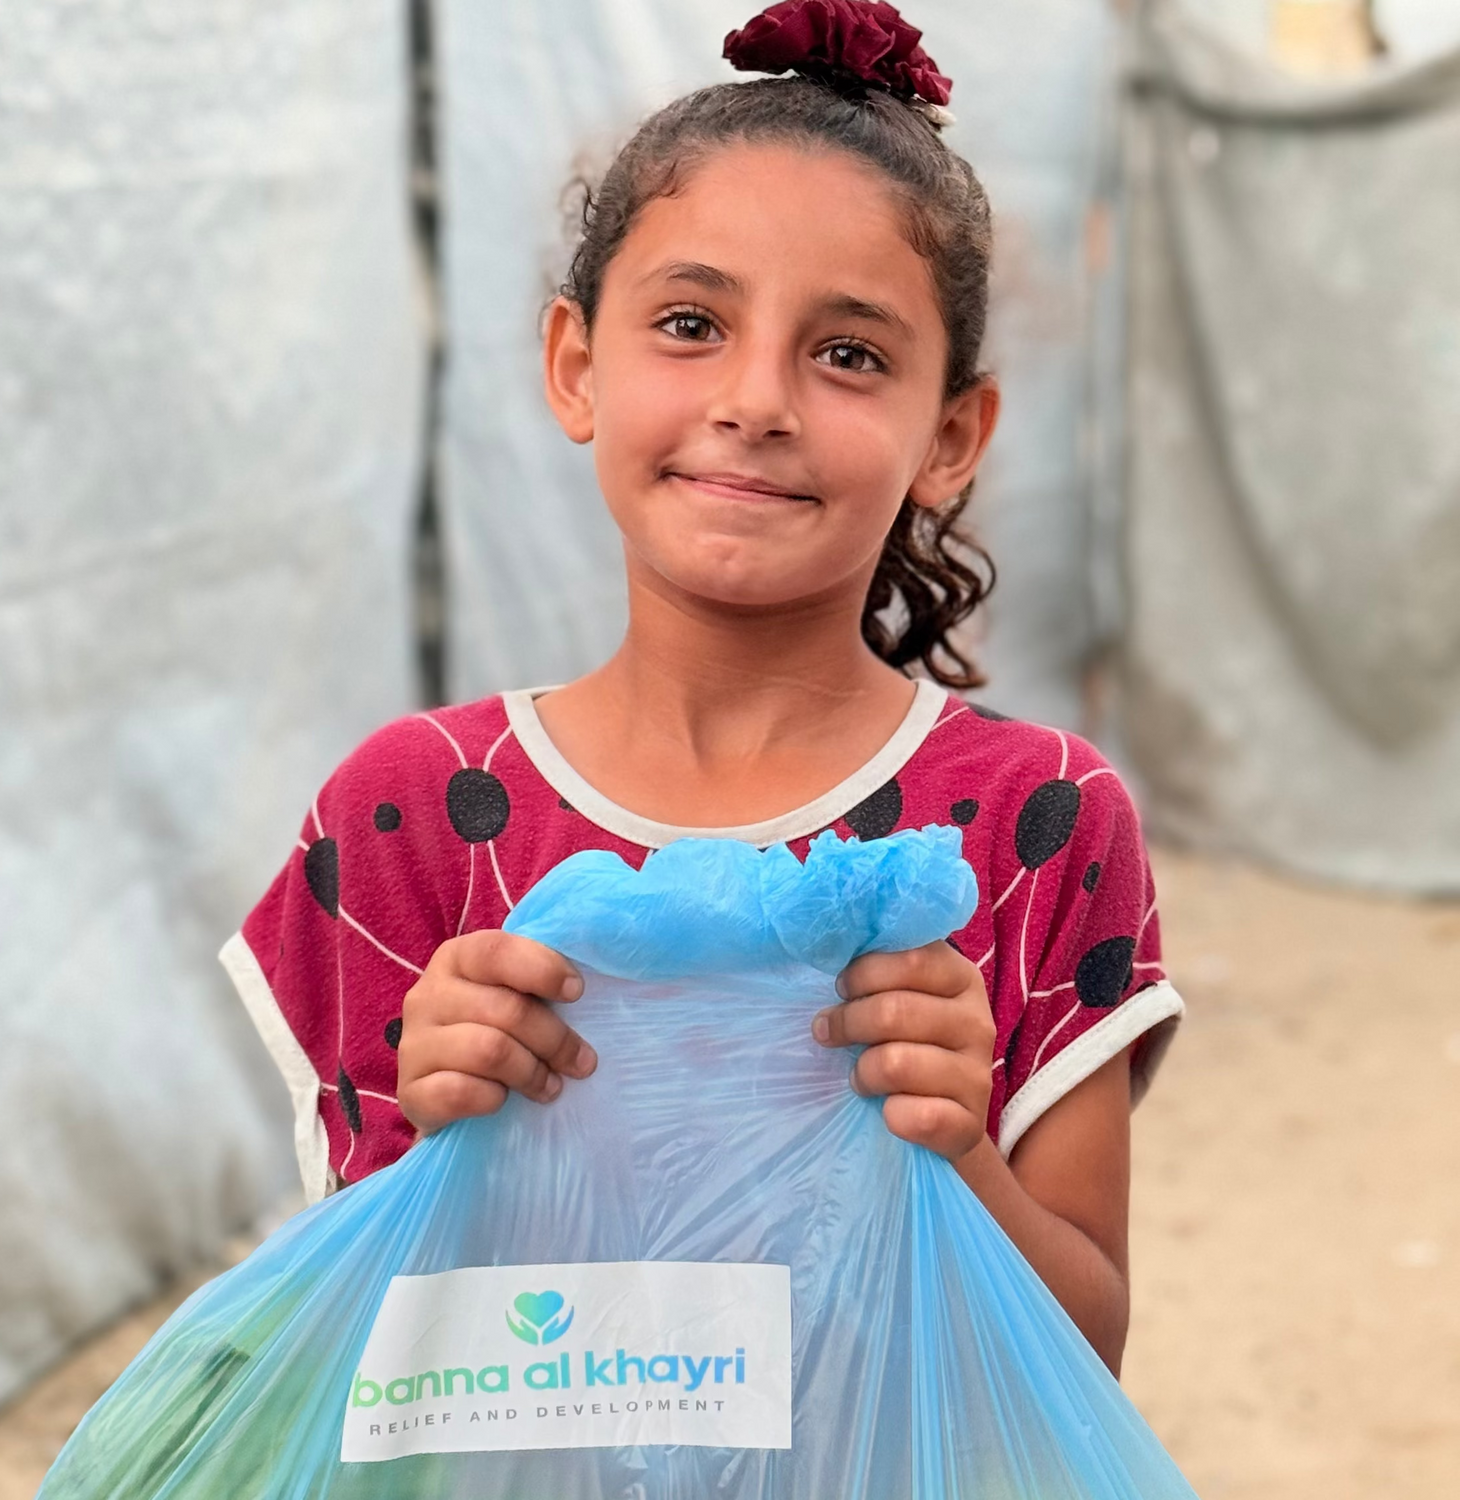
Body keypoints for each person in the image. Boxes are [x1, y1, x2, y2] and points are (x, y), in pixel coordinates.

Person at [221, 0, 1183, 1378]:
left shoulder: (1037, 826)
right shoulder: (411, 817)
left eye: (848, 353)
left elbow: (1081, 1354)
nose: (757, 399)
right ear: (575, 366)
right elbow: (350, 1354)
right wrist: (441, 1133)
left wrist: (958, 1144)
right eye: (688, 322)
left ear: (951, 435)